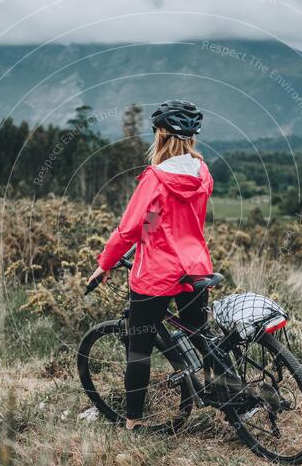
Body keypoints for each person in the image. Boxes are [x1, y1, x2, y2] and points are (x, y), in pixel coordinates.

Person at [87, 100, 214, 430]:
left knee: (139, 348)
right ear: (191, 138)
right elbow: (168, 215)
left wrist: (105, 264)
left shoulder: (155, 178)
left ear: (160, 134)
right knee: (201, 334)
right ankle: (237, 401)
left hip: (158, 273)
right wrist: (151, 230)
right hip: (197, 265)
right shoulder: (202, 173)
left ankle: (132, 422)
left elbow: (128, 230)